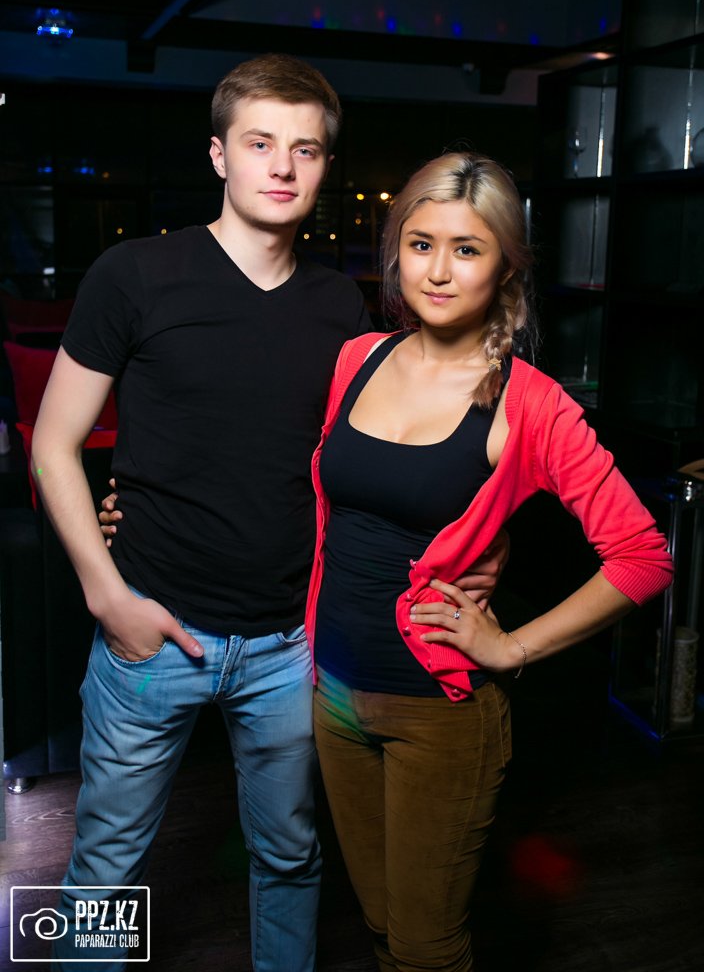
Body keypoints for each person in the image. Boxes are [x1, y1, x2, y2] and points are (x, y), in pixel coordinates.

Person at [32, 56, 505, 971]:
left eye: (306, 149)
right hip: (151, 633)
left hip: (291, 645)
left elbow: (389, 460)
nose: (282, 166)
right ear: (220, 155)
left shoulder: (344, 310)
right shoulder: (135, 274)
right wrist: (107, 596)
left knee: (289, 857)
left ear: (324, 166)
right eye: (260, 144)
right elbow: (53, 443)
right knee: (106, 866)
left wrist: (484, 547)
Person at [299, 151, 674, 971]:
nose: (437, 271)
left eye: (466, 249)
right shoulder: (357, 359)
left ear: (505, 266)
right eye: (420, 244)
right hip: (333, 698)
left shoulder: (530, 402)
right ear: (396, 252)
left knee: (427, 948)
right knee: (380, 924)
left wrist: (512, 648)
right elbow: (338, 511)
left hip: (438, 714)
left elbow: (643, 555)